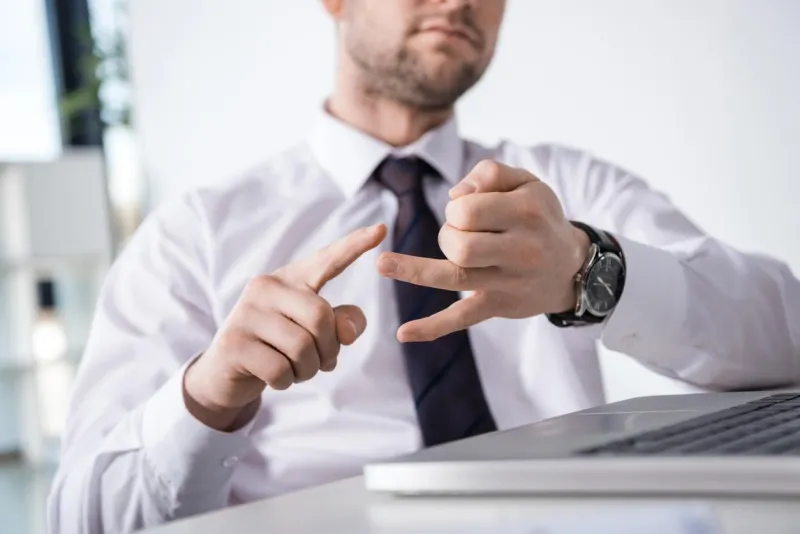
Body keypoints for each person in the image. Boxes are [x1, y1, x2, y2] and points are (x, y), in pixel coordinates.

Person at [49, 0, 800, 532]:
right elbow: (83, 520)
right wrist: (206, 399)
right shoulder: (194, 237)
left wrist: (588, 269)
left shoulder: (564, 191)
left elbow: (784, 336)